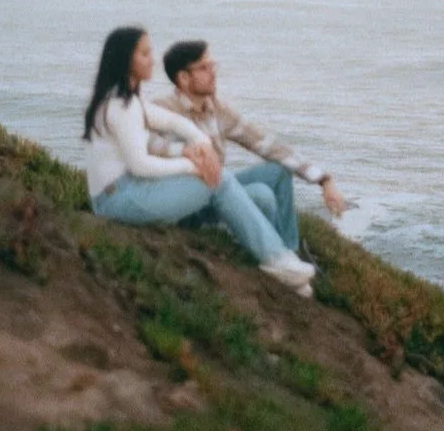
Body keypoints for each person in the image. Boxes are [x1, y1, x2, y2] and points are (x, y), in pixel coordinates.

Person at [83, 26, 317, 295]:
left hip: (127, 191)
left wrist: (199, 144)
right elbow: (140, 164)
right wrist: (193, 165)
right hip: (118, 199)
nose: (153, 59)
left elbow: (170, 121)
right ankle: (279, 261)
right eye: (145, 54)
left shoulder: (128, 100)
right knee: (218, 179)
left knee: (228, 178)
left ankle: (283, 259)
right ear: (126, 60)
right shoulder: (120, 106)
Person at [149, 40, 349, 253]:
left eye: (212, 65)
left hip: (220, 189)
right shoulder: (162, 110)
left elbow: (266, 144)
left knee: (278, 171)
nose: (213, 73)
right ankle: (268, 256)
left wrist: (323, 180)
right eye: (204, 68)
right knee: (262, 195)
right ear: (183, 77)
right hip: (187, 206)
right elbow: (140, 149)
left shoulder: (216, 109)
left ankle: (289, 252)